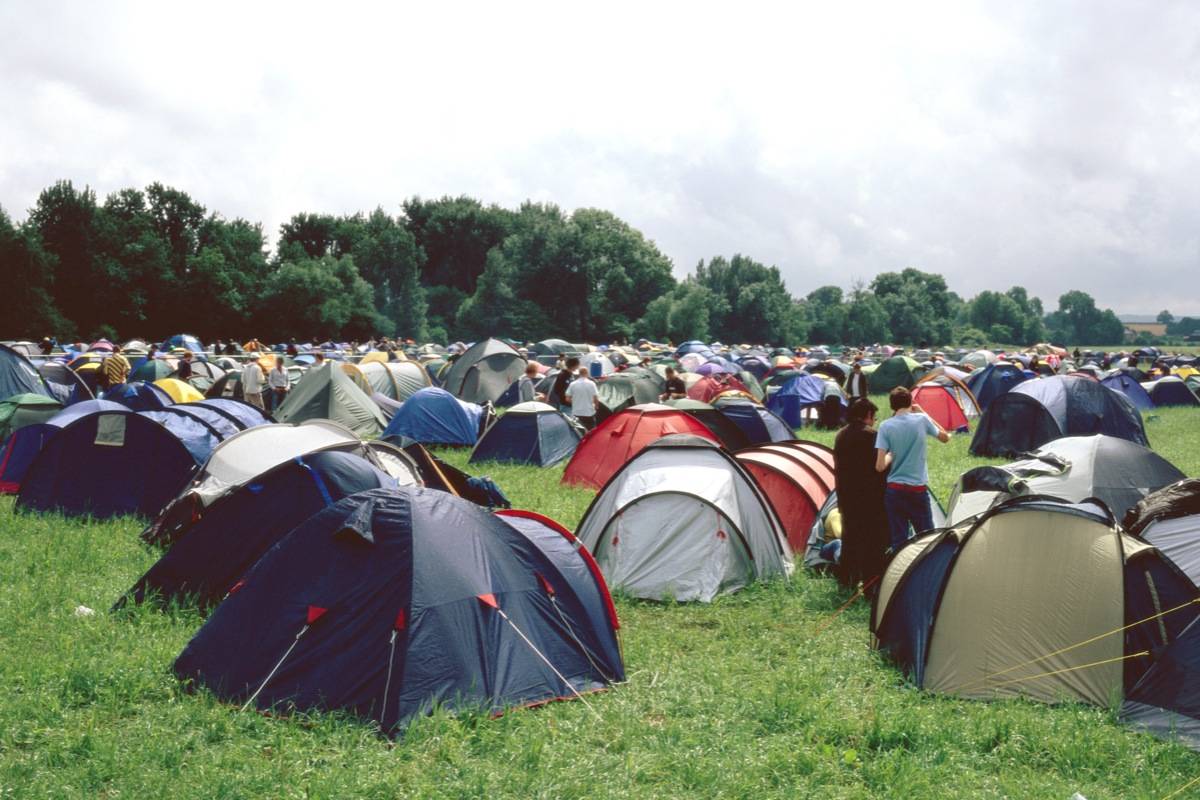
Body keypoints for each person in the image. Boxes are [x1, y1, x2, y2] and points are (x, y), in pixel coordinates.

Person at [875, 387, 950, 554]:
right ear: (910, 402)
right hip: (917, 490)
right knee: (928, 539)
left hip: (894, 491)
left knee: (899, 542)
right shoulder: (922, 420)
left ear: (892, 406)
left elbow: (880, 466)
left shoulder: (885, 426)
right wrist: (924, 412)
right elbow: (945, 437)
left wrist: (892, 454)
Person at [834, 399, 889, 595]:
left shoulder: (840, 435)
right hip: (869, 498)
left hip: (847, 496)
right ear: (866, 415)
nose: (874, 421)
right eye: (873, 417)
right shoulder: (872, 436)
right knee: (873, 542)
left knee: (850, 540)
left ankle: (847, 580)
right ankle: (870, 583)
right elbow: (880, 466)